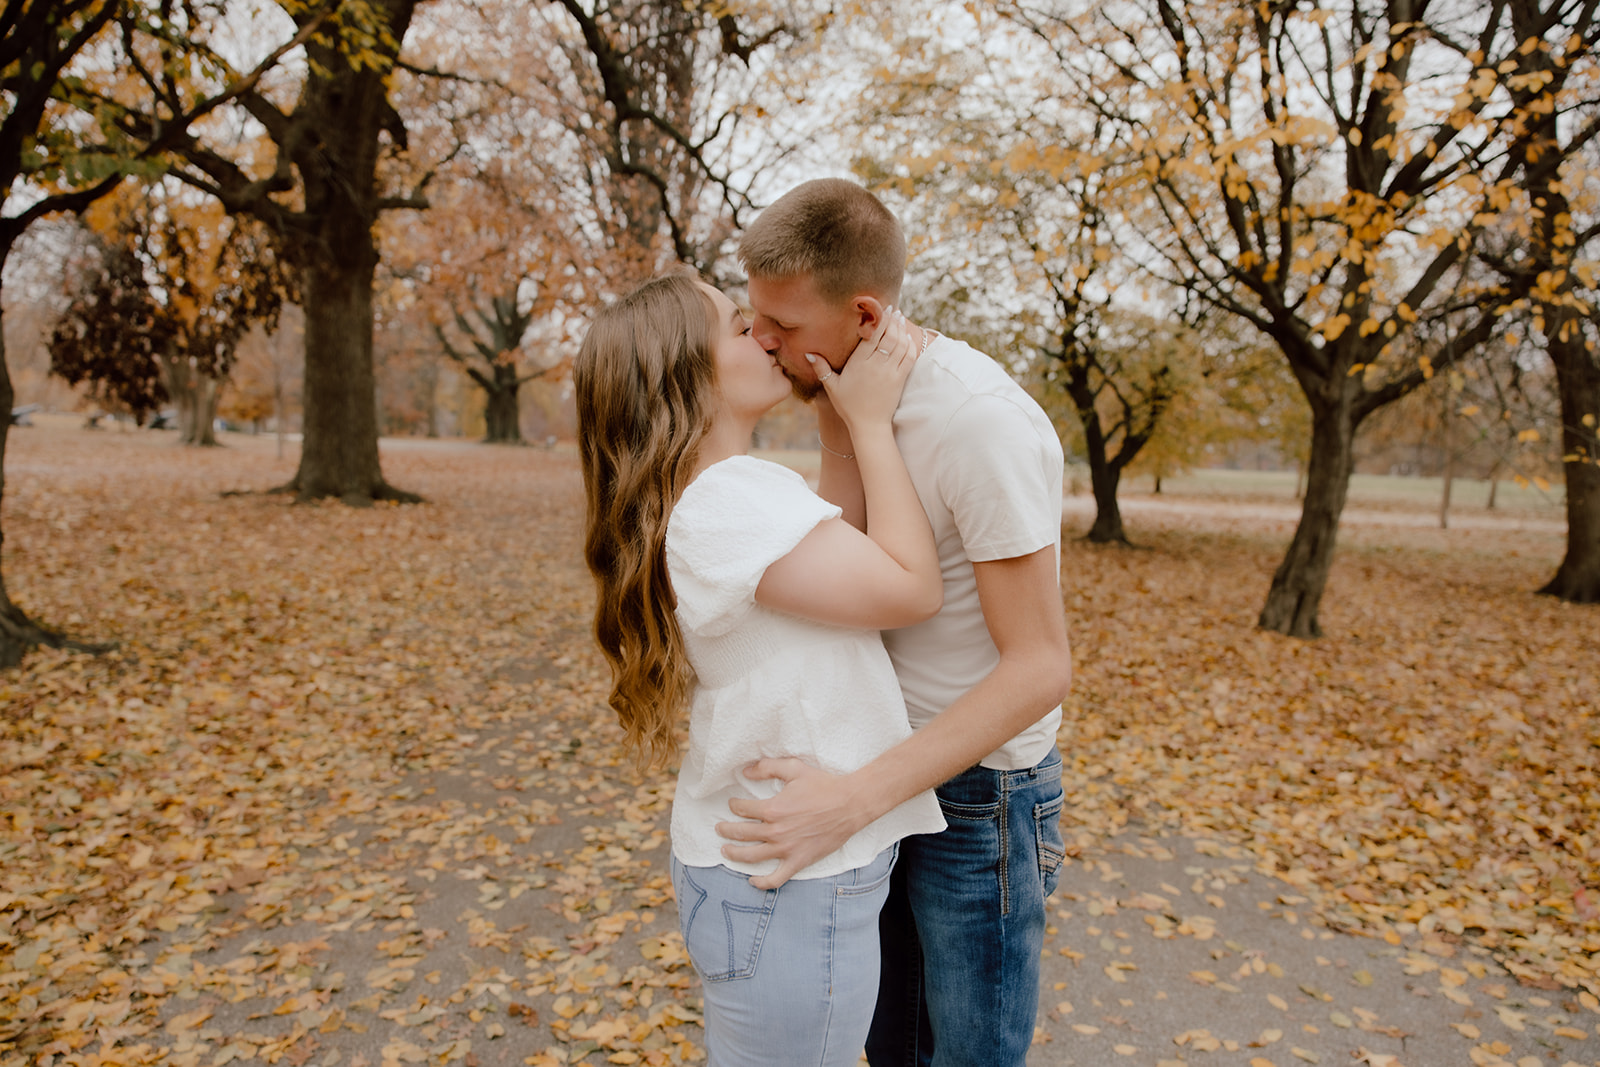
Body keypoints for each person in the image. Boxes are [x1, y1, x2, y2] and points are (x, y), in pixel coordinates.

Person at [717, 178, 1074, 1067]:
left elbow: (1039, 666)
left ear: (865, 311)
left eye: (783, 326)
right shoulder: (852, 393)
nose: (762, 339)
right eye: (755, 316)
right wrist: (845, 420)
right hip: (886, 771)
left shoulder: (979, 423)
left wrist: (853, 798)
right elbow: (859, 574)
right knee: (892, 1051)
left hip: (978, 794)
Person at [574, 271, 947, 1066]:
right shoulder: (729, 498)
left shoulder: (718, 493)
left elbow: (837, 555)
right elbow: (908, 588)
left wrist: (836, 420)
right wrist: (874, 425)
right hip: (790, 880)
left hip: (773, 868)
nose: (768, 337)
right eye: (742, 329)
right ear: (686, 375)